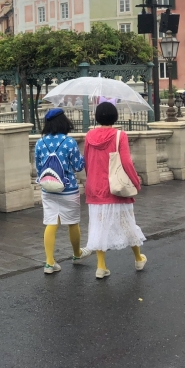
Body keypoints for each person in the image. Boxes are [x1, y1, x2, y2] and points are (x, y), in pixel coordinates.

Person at [83, 102, 146, 279]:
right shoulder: (120, 135)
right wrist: (136, 182)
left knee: (99, 227)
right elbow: (126, 162)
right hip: (116, 188)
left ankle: (101, 266)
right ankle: (138, 258)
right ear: (115, 116)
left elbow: (87, 161)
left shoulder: (89, 136)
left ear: (97, 117)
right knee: (127, 223)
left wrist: (92, 181)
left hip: (95, 188)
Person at [34, 108, 88, 274]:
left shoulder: (40, 143)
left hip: (48, 189)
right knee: (72, 222)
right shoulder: (69, 142)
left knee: (51, 223)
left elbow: (38, 167)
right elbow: (78, 166)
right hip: (68, 189)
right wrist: (85, 156)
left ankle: (49, 263)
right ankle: (77, 254)